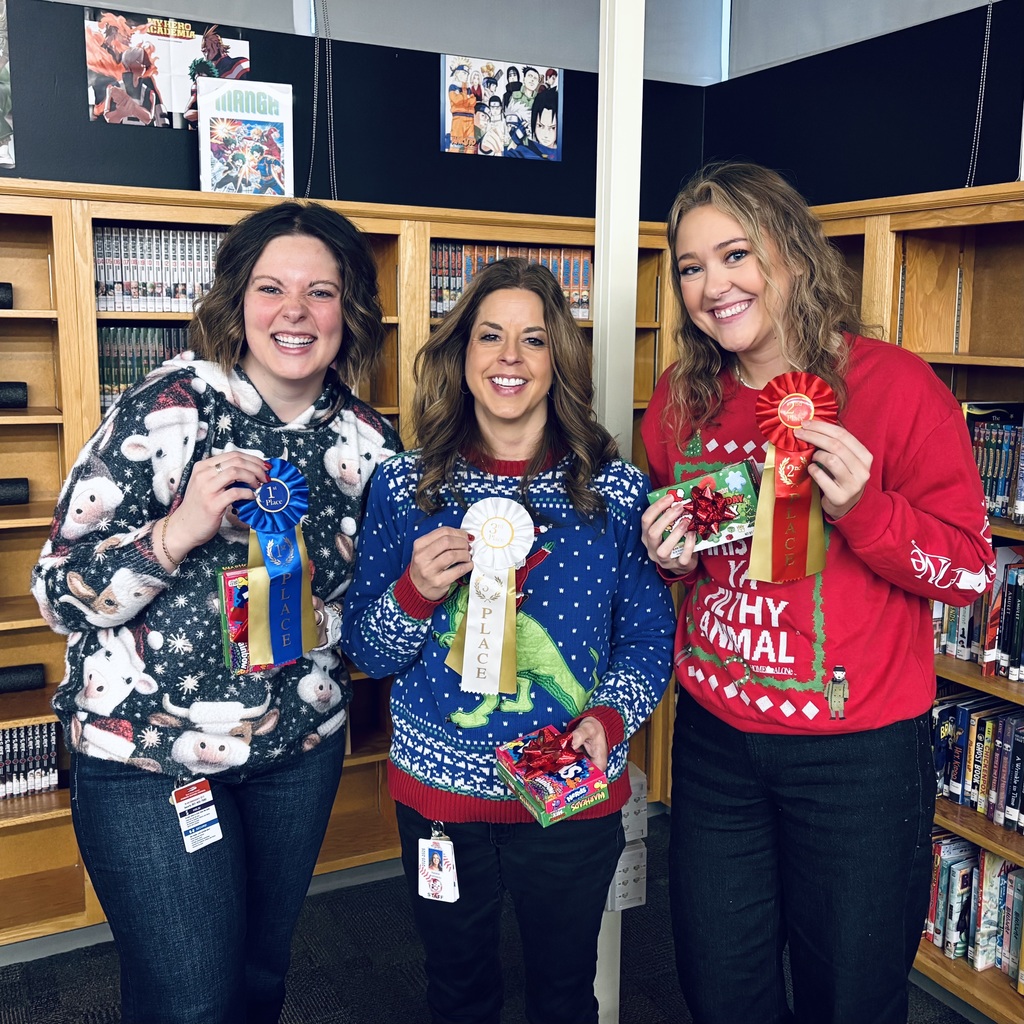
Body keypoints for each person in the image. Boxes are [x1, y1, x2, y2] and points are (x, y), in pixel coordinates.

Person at [640, 160, 995, 1024]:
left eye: (736, 255)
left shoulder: (897, 387)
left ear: (794, 254)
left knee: (851, 1000)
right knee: (720, 988)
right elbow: (695, 565)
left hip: (859, 758)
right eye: (691, 267)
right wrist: (670, 558)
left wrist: (866, 510)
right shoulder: (681, 399)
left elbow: (969, 573)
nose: (713, 286)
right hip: (717, 744)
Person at [31, 201, 400, 1024]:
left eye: (321, 292)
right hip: (147, 758)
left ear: (350, 310)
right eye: (271, 288)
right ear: (237, 301)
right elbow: (57, 592)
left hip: (297, 751)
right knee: (190, 1001)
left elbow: (373, 617)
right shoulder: (168, 408)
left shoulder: (372, 446)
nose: (295, 312)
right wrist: (176, 532)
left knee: (261, 981)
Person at [342, 257, 675, 1024]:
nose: (510, 358)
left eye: (533, 339)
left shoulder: (615, 492)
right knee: (457, 991)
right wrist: (415, 592)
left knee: (564, 996)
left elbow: (649, 636)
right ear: (462, 355)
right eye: (490, 336)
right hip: (441, 799)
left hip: (569, 795)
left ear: (559, 359)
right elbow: (368, 651)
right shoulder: (404, 485)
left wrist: (610, 718)